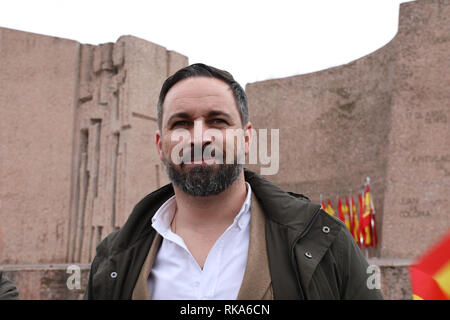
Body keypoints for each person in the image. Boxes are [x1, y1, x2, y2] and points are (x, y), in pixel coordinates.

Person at [84, 63, 383, 300]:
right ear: (161, 144)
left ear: (247, 138)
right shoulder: (113, 261)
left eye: (217, 121)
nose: (200, 137)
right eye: (181, 123)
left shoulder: (322, 239)